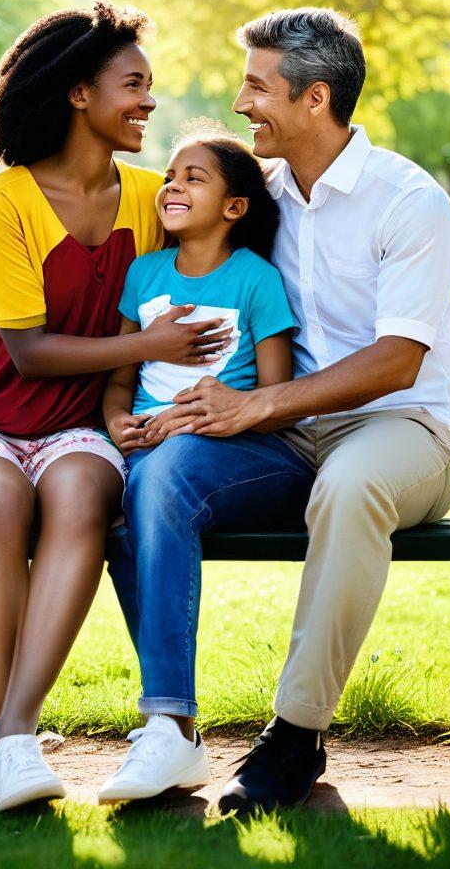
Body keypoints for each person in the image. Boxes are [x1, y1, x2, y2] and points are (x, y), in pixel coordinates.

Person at [0, 3, 230, 813]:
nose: (150, 102)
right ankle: (9, 737)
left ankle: (8, 738)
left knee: (86, 492)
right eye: (134, 85)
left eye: (150, 86)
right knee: (4, 496)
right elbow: (29, 351)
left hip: (74, 427)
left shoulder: (158, 199)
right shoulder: (5, 198)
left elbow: (235, 233)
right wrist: (147, 351)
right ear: (79, 94)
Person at [162, 7, 450, 813]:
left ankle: (294, 737)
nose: (240, 104)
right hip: (287, 436)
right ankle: (166, 725)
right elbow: (140, 212)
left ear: (315, 98)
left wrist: (260, 402)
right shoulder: (254, 195)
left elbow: (399, 360)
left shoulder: (409, 200)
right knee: (165, 475)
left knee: (351, 484)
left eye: (257, 87)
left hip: (405, 431)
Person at [96, 126, 313, 802]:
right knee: (126, 507)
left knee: (168, 467)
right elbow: (121, 379)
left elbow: (274, 402)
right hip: (154, 463)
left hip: (248, 459)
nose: (174, 186)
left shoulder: (255, 279)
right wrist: (115, 424)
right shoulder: (145, 274)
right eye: (170, 175)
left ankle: (166, 723)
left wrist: (193, 419)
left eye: (195, 177)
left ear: (235, 206)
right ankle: (175, 731)